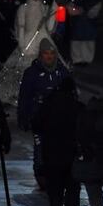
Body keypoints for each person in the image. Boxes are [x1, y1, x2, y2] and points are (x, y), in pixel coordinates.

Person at [32, 77, 83, 206]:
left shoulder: (48, 104)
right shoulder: (77, 107)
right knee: (73, 194)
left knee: (55, 196)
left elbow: (36, 124)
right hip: (72, 157)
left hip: (52, 157)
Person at [17, 38, 70, 188]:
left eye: (52, 53)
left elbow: (70, 95)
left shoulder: (62, 72)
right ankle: (42, 178)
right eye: (46, 53)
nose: (49, 56)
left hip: (59, 120)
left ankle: (57, 176)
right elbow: (24, 96)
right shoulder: (32, 73)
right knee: (40, 150)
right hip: (39, 120)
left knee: (59, 150)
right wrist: (23, 117)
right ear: (41, 54)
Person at [65, 0, 102, 66]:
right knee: (76, 43)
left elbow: (93, 13)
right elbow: (70, 10)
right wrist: (79, 11)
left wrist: (81, 10)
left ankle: (87, 60)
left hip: (89, 25)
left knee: (88, 43)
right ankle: (77, 60)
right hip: (77, 25)